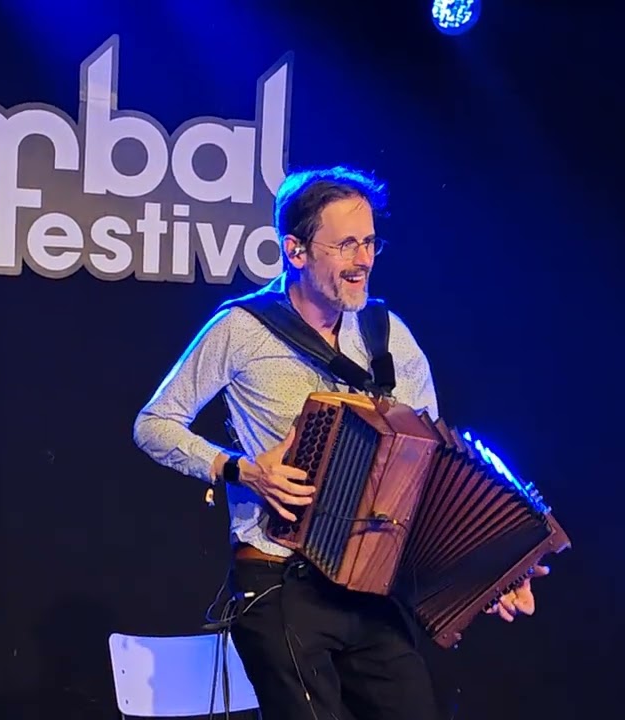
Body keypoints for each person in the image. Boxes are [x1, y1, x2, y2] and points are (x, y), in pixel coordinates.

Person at [132, 165, 546, 720]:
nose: (363, 259)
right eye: (346, 244)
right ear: (296, 251)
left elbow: (434, 471)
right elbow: (154, 423)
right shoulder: (241, 328)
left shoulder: (387, 334)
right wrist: (242, 469)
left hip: (371, 587)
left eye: (370, 242)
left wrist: (489, 575)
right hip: (280, 579)